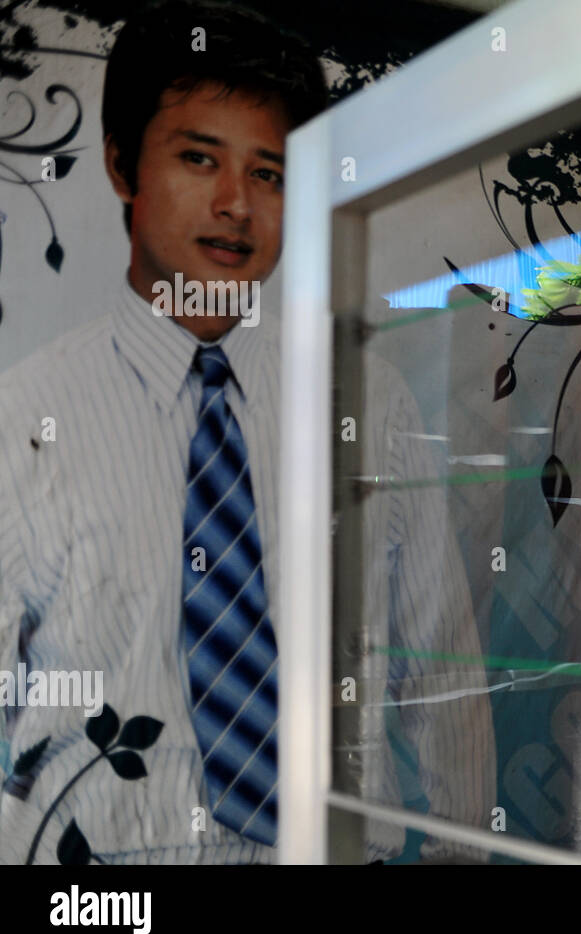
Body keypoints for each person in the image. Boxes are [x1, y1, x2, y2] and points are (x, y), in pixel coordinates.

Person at [0, 0, 493, 863]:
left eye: (269, 174)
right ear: (122, 165)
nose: (235, 204)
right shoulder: (25, 415)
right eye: (199, 158)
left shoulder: (368, 404)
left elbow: (439, 661)